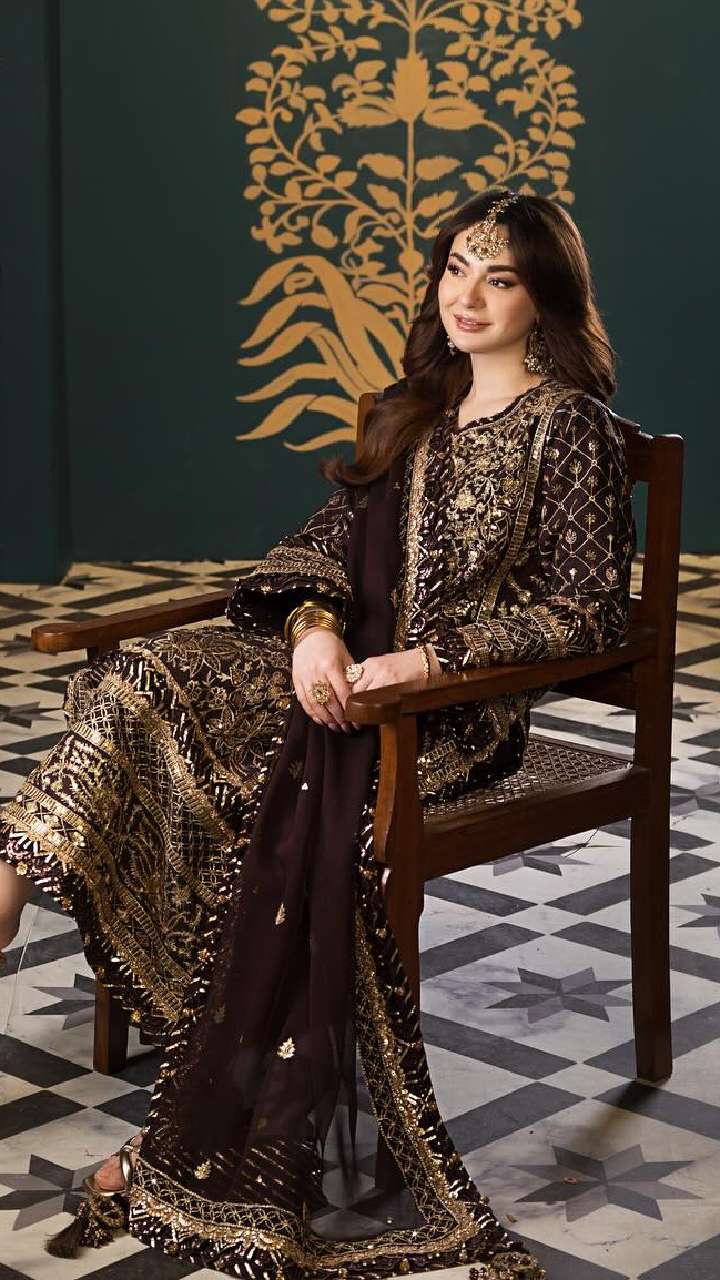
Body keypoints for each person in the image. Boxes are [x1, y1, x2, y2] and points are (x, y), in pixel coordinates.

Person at [0, 189, 633, 1279]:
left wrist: (425, 662)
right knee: (145, 675)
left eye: (500, 277)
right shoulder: (415, 407)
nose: (468, 295)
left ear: (546, 298)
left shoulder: (565, 426)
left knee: (254, 785)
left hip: (447, 710)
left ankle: (202, 1094)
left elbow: (588, 612)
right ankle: (13, 883)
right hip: (344, 672)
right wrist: (313, 631)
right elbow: (320, 544)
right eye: (456, 267)